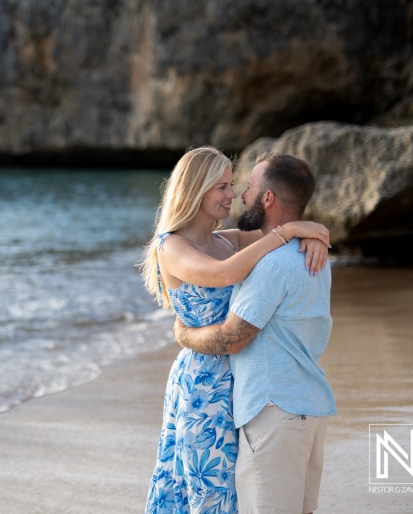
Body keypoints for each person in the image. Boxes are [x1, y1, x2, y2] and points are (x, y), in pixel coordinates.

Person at [139, 146, 331, 514]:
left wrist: (309, 234)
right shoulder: (172, 246)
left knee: (243, 494)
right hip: (204, 387)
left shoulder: (228, 240)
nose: (233, 195)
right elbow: (225, 274)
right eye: (222, 187)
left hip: (243, 382)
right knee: (209, 493)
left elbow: (273, 237)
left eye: (233, 185)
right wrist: (290, 230)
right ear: (195, 189)